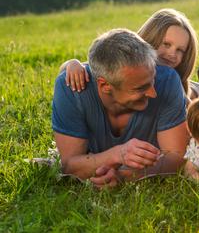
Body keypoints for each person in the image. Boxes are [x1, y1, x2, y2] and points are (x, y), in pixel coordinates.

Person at [52, 28, 188, 188]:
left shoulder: (167, 81)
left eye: (152, 81)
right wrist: (117, 154)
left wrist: (124, 176)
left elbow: (176, 158)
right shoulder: (72, 88)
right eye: (140, 88)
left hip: (192, 96)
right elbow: (69, 166)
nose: (153, 93)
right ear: (104, 85)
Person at [60, 8, 199, 101]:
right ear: (151, 38)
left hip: (195, 91)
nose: (172, 54)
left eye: (180, 50)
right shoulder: (129, 57)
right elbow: (98, 67)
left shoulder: (174, 82)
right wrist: (72, 64)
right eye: (166, 44)